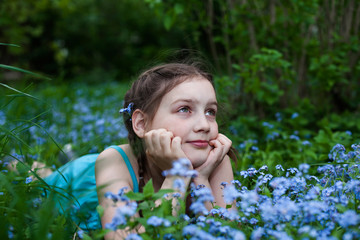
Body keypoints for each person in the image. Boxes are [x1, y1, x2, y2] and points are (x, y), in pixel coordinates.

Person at [45, 62, 235, 238]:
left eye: (210, 112)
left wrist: (200, 180)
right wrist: (179, 174)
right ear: (142, 124)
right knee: (40, 177)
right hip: (81, 179)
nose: (204, 125)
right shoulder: (113, 160)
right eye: (184, 109)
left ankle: (65, 156)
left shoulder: (215, 160)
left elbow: (229, 233)